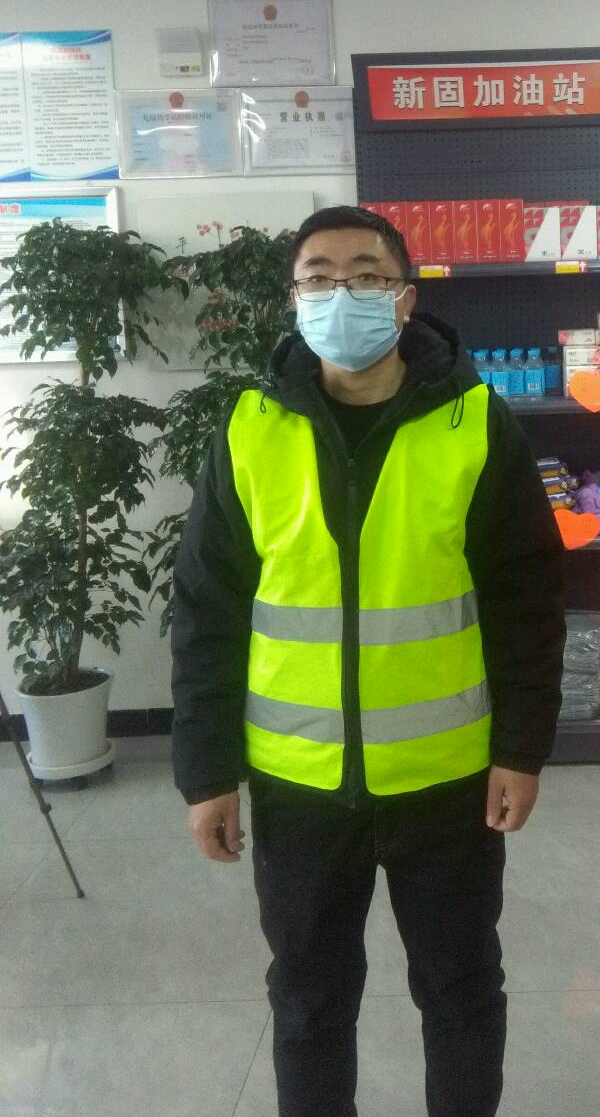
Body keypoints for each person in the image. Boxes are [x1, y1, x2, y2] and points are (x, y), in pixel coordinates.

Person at [171, 204, 565, 1117]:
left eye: (365, 275)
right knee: (309, 1000)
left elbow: (526, 601)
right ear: (292, 297)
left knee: (461, 989)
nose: (339, 293)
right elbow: (207, 610)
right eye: (318, 277)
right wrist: (206, 772)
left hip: (446, 779)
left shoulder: (473, 424)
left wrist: (522, 748)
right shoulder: (250, 430)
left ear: (405, 297)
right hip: (297, 783)